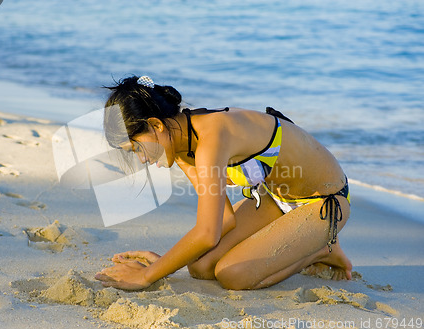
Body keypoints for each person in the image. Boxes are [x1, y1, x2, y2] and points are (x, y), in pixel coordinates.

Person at [95, 75, 352, 291]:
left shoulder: (211, 138)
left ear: (155, 125)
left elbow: (207, 234)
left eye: (137, 147)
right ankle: (305, 243)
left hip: (326, 202)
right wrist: (163, 264)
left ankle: (320, 251)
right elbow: (224, 220)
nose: (142, 158)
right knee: (200, 267)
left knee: (233, 275)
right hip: (276, 199)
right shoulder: (182, 144)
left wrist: (145, 277)